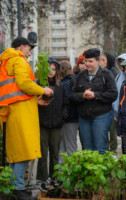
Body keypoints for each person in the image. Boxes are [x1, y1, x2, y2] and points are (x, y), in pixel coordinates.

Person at [0, 37, 53, 200]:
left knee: (17, 153)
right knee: (25, 151)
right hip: (21, 114)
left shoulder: (6, 61)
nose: (30, 53)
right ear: (22, 47)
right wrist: (43, 90)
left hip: (12, 111)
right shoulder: (19, 60)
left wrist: (33, 100)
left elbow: (15, 90)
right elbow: (24, 84)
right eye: (29, 49)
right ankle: (18, 188)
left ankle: (14, 188)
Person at [70, 48, 118, 154]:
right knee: (87, 149)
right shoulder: (81, 76)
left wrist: (95, 95)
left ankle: (101, 170)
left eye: (90, 61)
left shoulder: (106, 75)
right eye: (86, 61)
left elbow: (113, 94)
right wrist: (83, 95)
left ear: (98, 61)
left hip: (102, 115)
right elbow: (73, 96)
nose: (87, 64)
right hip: (84, 117)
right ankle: (89, 171)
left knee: (100, 147)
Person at [36, 57, 67, 192]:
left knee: (55, 152)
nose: (51, 72)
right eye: (48, 69)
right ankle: (42, 179)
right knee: (42, 152)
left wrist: (62, 118)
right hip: (42, 123)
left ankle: (54, 178)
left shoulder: (61, 87)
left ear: (57, 71)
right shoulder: (37, 85)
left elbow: (66, 104)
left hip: (56, 124)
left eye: (54, 69)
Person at [58, 61, 79, 163]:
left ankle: (60, 172)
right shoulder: (74, 82)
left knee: (61, 148)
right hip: (72, 118)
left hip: (64, 118)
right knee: (71, 146)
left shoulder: (61, 84)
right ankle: (73, 171)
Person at [100, 52, 119, 152]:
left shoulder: (115, 73)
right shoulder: (100, 72)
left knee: (112, 132)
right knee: (103, 132)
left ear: (109, 61)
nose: (101, 62)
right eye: (101, 60)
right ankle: (105, 151)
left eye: (103, 60)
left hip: (112, 107)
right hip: (103, 107)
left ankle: (113, 152)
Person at [112, 53, 126, 154]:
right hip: (118, 114)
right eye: (119, 61)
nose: (121, 64)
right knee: (124, 144)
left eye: (123, 61)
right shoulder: (119, 76)